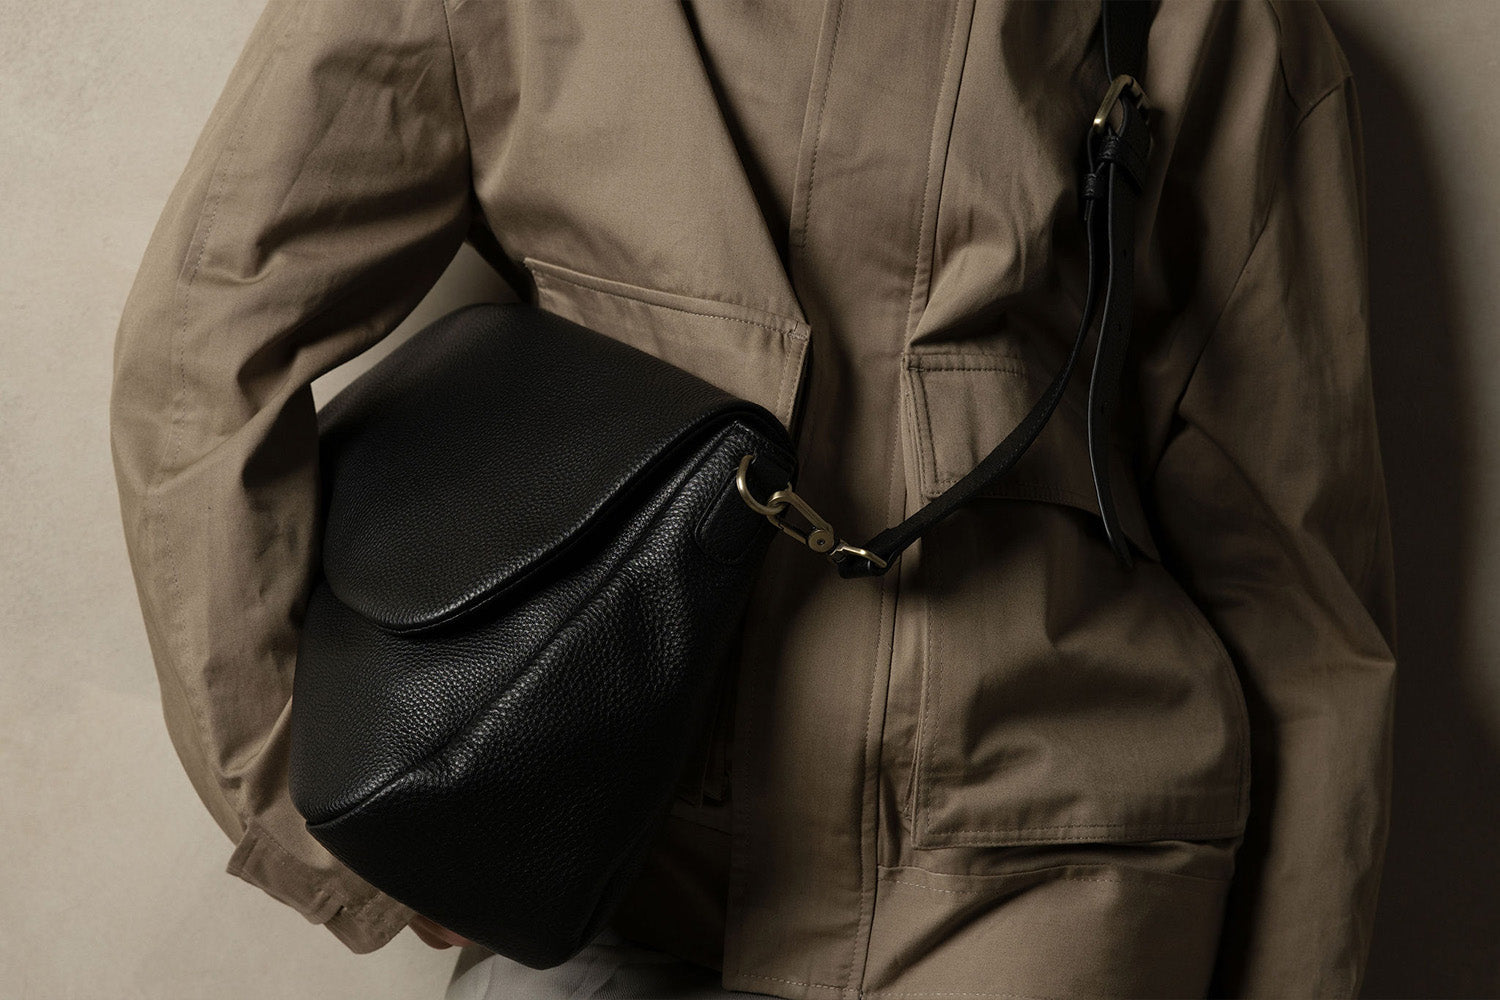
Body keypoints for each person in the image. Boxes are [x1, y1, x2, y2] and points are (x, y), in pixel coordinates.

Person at [110, 1, 1397, 997]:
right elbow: (208, 347)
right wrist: (336, 828)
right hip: (607, 871)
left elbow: (1298, 593)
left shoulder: (1202, 15)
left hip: (1051, 876)